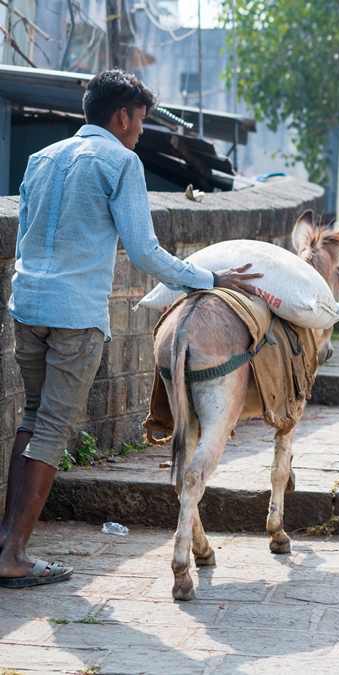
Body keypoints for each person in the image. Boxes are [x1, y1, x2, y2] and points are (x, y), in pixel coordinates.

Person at [0, 70, 263, 587]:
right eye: (140, 120)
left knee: (31, 419)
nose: (140, 131)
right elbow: (144, 252)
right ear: (121, 116)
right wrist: (208, 278)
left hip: (26, 305)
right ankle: (13, 555)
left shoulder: (41, 158)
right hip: (75, 315)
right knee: (51, 429)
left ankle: (8, 538)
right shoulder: (121, 162)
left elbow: (25, 238)